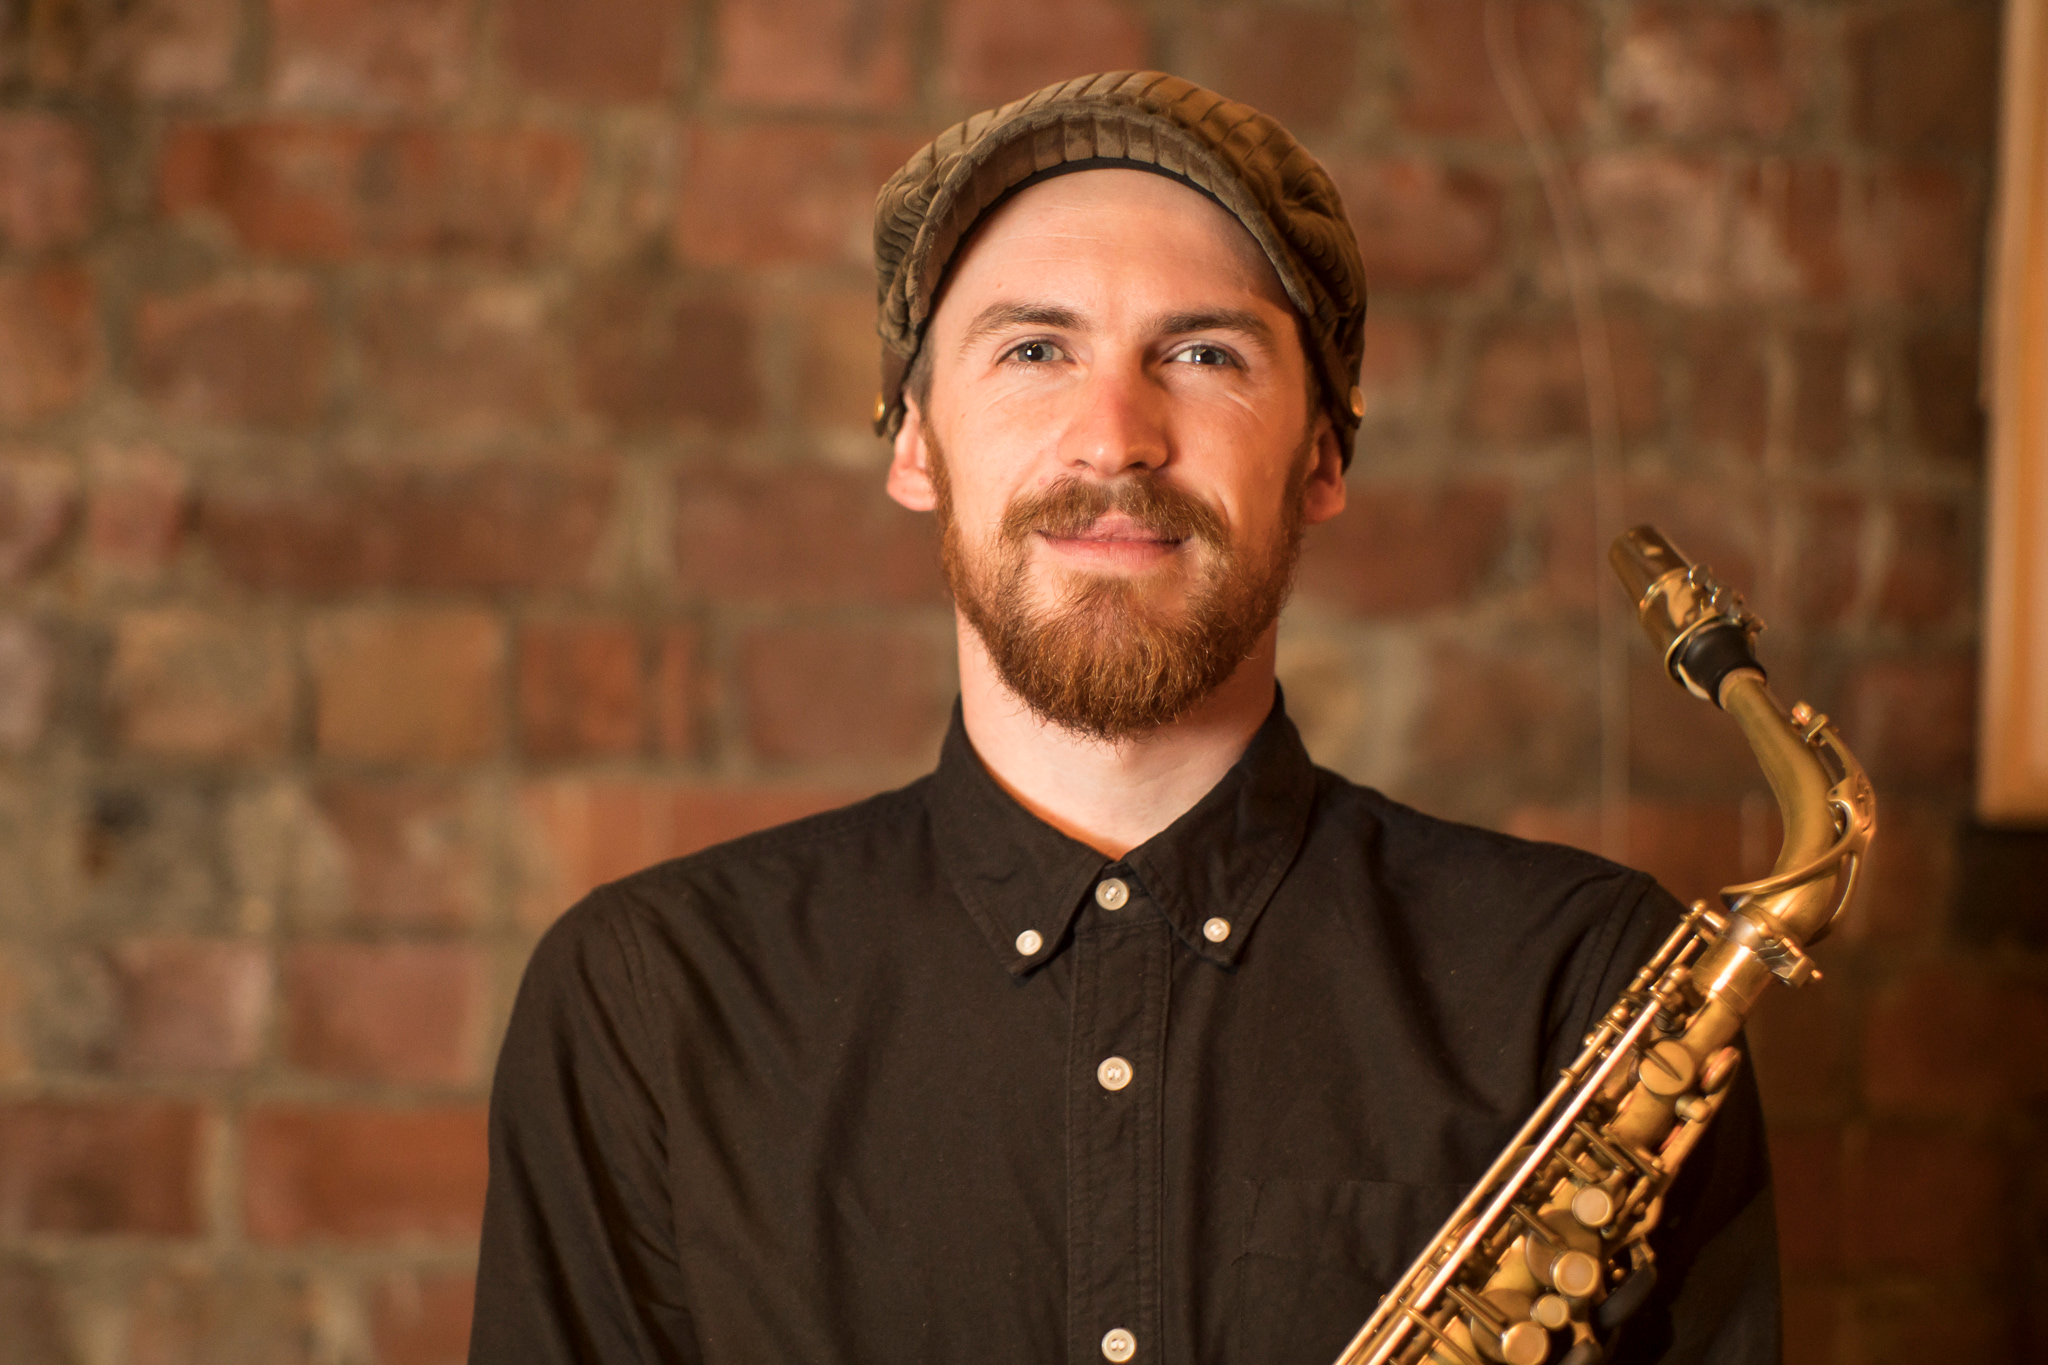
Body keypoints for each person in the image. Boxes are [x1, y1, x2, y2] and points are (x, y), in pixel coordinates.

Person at [470, 73, 1778, 1365]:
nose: (1116, 436)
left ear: (1323, 455)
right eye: (1036, 348)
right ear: (915, 441)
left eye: (1202, 353)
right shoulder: (648, 1003)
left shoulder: (1586, 994)